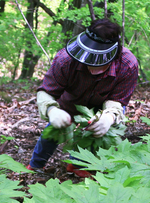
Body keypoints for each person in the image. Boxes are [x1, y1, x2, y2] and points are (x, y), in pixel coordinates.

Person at [28, 19, 139, 178]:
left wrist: (109, 116)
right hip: (69, 103)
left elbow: (119, 99)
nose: (92, 69)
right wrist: (52, 110)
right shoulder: (65, 59)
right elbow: (46, 90)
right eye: (88, 60)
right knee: (52, 132)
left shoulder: (128, 65)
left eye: (98, 63)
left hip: (103, 106)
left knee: (96, 134)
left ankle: (79, 165)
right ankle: (35, 165)